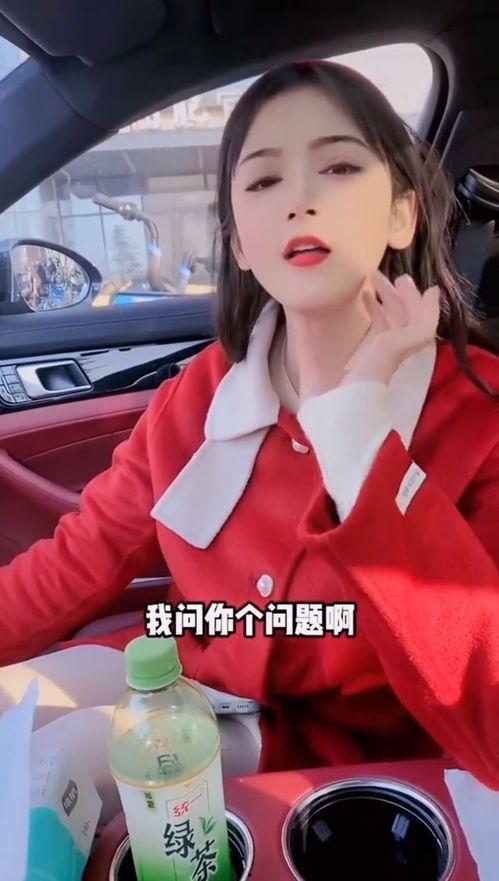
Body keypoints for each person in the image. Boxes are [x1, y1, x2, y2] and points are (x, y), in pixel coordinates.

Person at [1, 60, 498, 821]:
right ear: (238, 243)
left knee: (58, 761)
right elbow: (79, 561)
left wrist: (360, 437)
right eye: (264, 181)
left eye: (338, 167)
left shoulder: (477, 418)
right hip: (183, 671)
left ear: (403, 215)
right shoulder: (201, 394)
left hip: (331, 762)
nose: (299, 200)